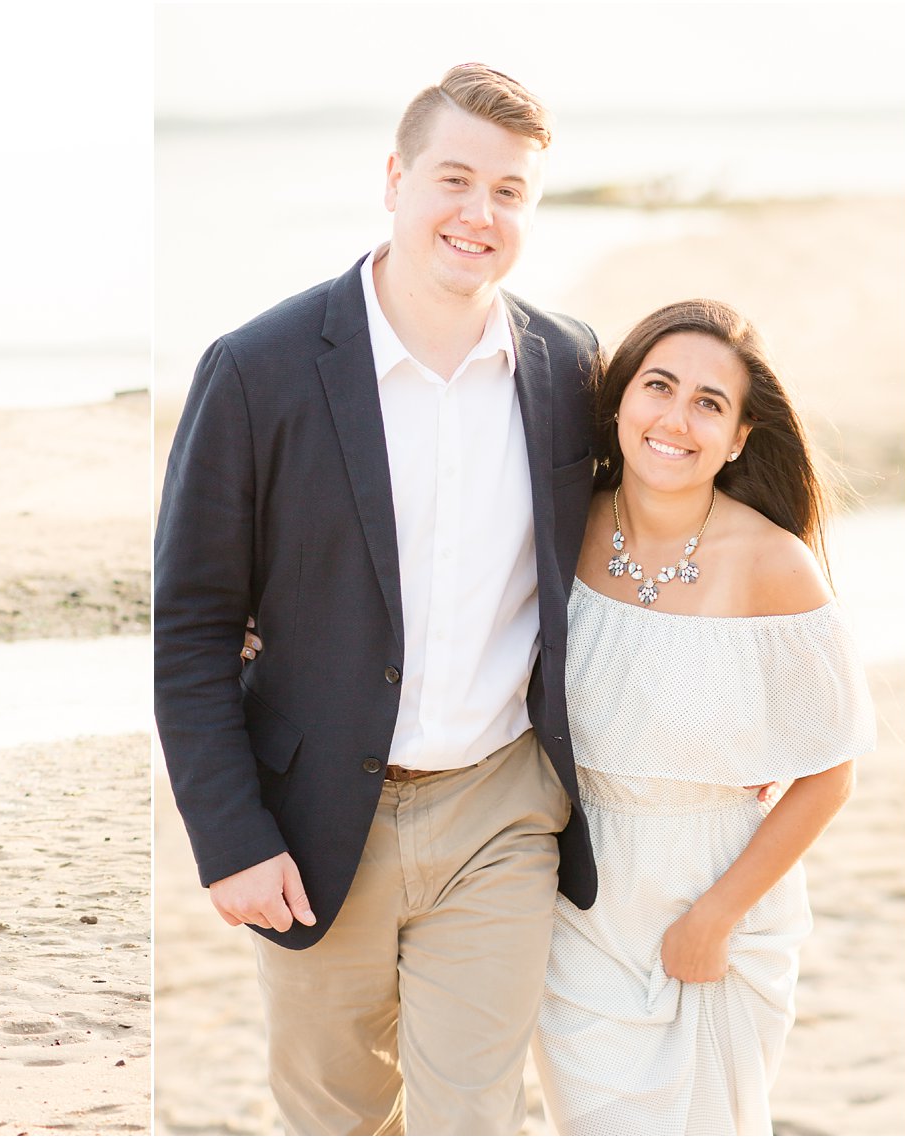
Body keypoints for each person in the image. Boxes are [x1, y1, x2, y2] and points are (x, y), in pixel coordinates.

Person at [154, 64, 601, 1134]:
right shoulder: (256, 368)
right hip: (311, 827)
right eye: (453, 178)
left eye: (507, 191)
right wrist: (230, 836)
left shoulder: (566, 370)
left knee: (473, 1112)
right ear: (394, 178)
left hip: (499, 810)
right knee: (335, 1113)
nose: (476, 213)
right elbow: (193, 625)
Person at [531, 299, 876, 1135]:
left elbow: (830, 770)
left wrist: (716, 915)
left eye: (709, 403)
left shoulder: (773, 564)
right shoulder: (559, 524)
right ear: (620, 401)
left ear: (738, 439)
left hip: (717, 899)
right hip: (576, 907)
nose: (675, 419)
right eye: (659, 386)